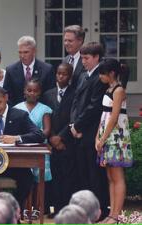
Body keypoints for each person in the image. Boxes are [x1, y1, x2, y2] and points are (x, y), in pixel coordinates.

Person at [0, 85, 45, 209]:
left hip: (15, 165)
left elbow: (39, 135)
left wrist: (16, 138)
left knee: (27, 179)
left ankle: (15, 210)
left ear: (6, 98)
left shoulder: (20, 115)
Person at [67, 42, 109, 219]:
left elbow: (94, 107)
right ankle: (85, 210)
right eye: (82, 58)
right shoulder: (84, 75)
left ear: (97, 57)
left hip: (91, 132)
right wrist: (72, 124)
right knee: (82, 173)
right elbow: (75, 102)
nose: (83, 61)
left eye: (86, 58)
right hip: (78, 130)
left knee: (94, 175)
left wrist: (78, 126)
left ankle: (99, 212)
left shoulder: (100, 78)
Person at [95, 58, 133, 224]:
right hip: (105, 136)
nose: (100, 77)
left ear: (111, 73)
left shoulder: (118, 90)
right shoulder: (109, 89)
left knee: (117, 176)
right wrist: (97, 136)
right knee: (110, 176)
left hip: (116, 137)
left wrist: (103, 138)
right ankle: (111, 214)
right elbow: (104, 116)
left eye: (102, 74)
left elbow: (114, 116)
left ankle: (116, 215)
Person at [14, 79, 52, 217]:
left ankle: (37, 208)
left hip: (40, 149)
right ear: (24, 91)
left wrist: (34, 137)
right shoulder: (17, 108)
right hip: (21, 150)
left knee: (38, 180)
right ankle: (24, 208)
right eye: (29, 90)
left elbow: (46, 131)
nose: (32, 93)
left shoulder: (44, 109)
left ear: (39, 93)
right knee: (24, 179)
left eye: (35, 91)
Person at [42, 63, 77, 214]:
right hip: (52, 142)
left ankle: (66, 209)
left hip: (67, 141)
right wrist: (52, 138)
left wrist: (61, 137)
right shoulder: (47, 94)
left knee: (67, 177)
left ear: (70, 77)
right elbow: (46, 117)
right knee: (54, 177)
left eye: (65, 74)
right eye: (59, 73)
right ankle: (56, 209)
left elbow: (74, 117)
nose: (61, 76)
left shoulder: (75, 93)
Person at [3, 35, 55, 106]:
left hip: (41, 112)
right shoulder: (10, 70)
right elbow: (7, 95)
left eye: (26, 52)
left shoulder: (47, 69)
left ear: (34, 51)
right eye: (20, 52)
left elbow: (51, 95)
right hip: (18, 112)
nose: (22, 56)